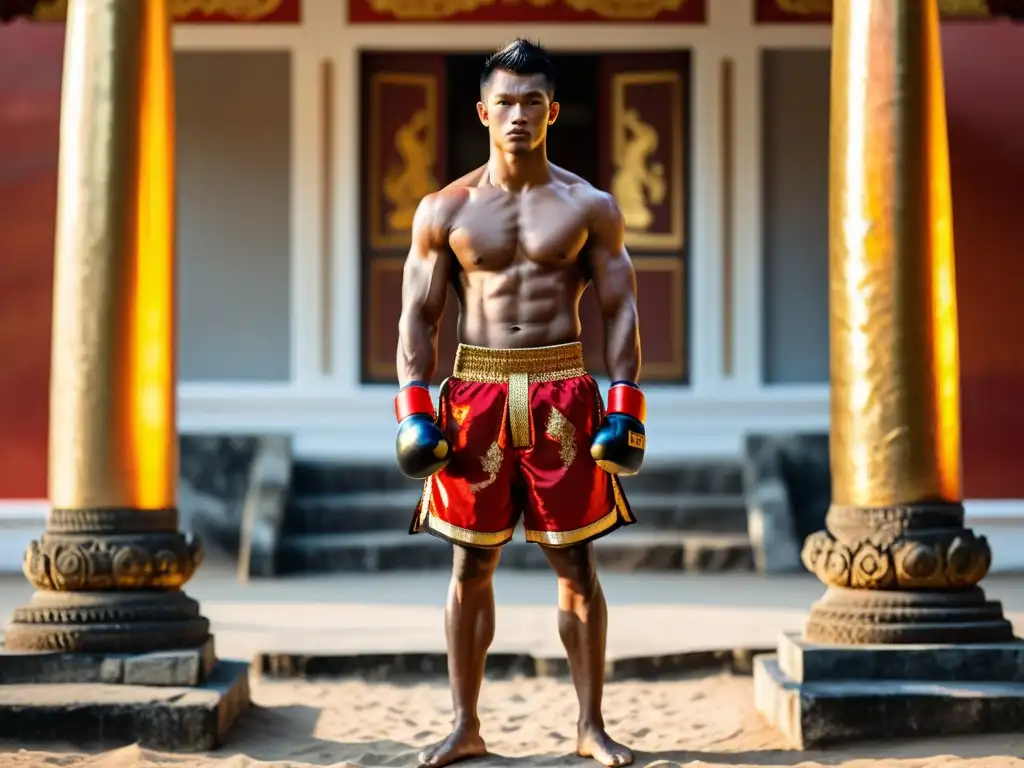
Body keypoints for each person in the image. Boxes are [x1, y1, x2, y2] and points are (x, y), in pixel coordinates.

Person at [393, 38, 646, 768]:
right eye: (504, 101)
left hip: (564, 392)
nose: (518, 115)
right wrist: (412, 410)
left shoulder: (589, 206)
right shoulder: (446, 208)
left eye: (532, 102)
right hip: (474, 396)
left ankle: (590, 726)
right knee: (470, 567)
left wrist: (626, 409)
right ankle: (465, 725)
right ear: (482, 111)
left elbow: (619, 309)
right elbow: (418, 315)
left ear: (552, 112)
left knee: (577, 567)